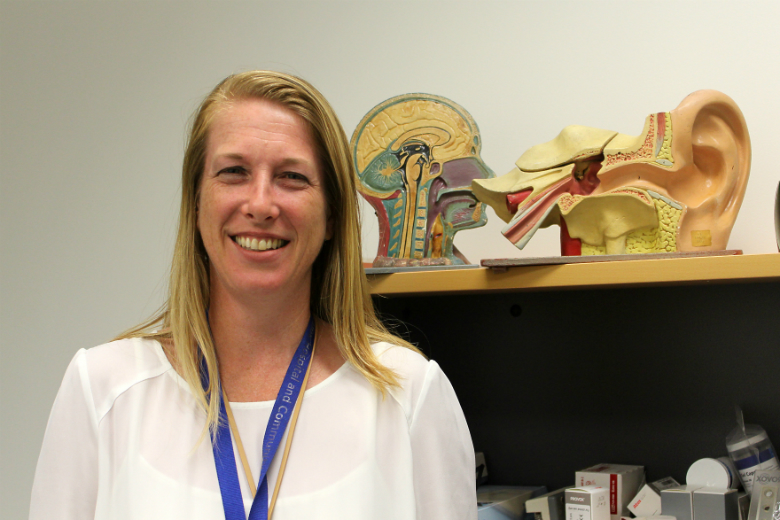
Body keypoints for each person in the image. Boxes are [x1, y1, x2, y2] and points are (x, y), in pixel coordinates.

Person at [29, 71, 476, 520]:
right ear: (197, 201)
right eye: (233, 172)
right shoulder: (103, 391)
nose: (261, 204)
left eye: (292, 177)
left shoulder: (408, 398)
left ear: (332, 215)